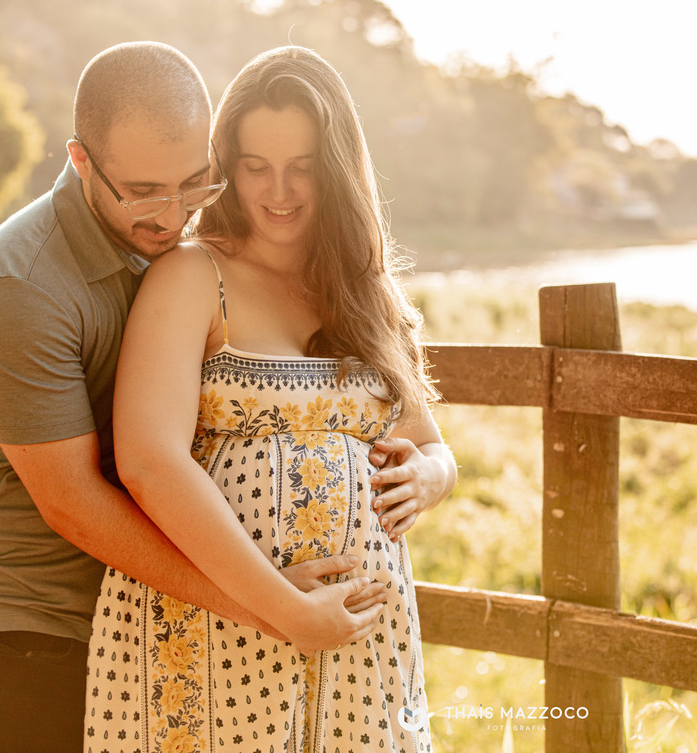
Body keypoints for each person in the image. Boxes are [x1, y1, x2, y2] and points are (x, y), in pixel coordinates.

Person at [0, 42, 382, 753]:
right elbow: (73, 501)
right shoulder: (19, 290)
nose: (172, 216)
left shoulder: (177, 246)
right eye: (143, 191)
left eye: (194, 183)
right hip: (24, 634)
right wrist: (268, 606)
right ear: (81, 162)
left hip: (144, 623)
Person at [83, 45, 455, 753]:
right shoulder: (194, 275)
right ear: (226, 163)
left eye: (302, 167)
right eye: (255, 166)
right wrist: (285, 608)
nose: (277, 190)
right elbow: (149, 460)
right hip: (218, 636)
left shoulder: (365, 293)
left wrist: (431, 476)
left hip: (358, 647)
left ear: (337, 167)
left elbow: (431, 444)